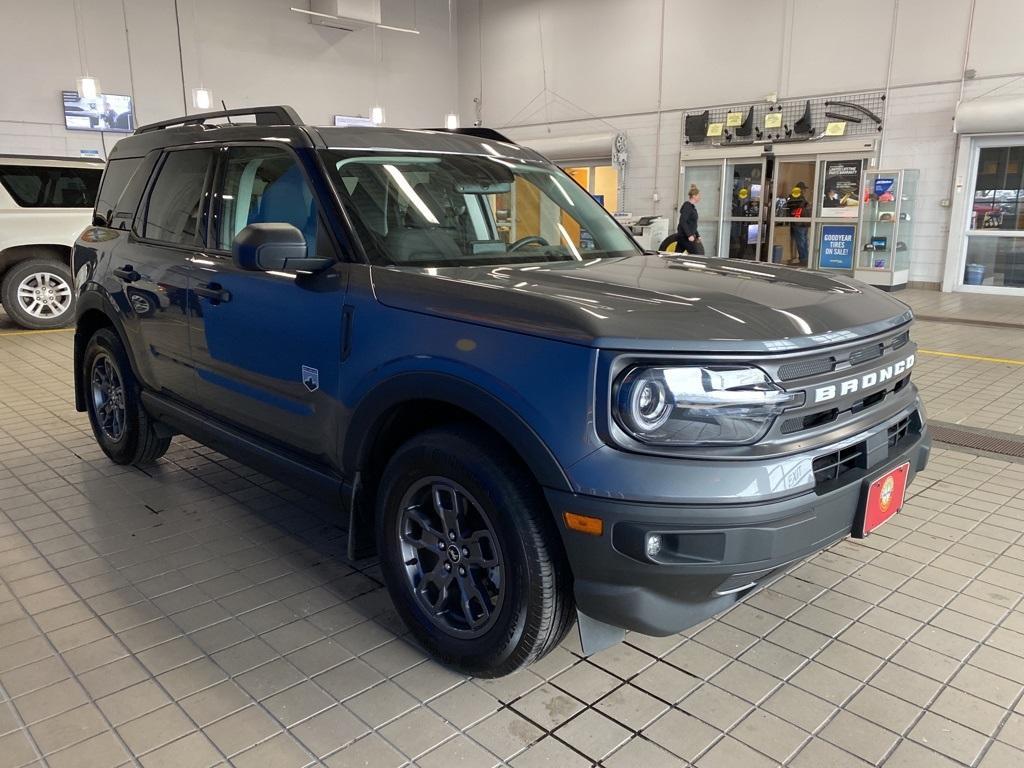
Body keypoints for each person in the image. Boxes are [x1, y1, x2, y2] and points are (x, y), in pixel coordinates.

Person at [787, 182, 811, 266]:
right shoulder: (796, 197)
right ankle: (804, 259)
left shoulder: (800, 197)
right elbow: (798, 207)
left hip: (803, 223)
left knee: (803, 241)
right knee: (802, 241)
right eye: (803, 189)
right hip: (800, 223)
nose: (805, 191)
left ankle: (805, 259)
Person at [676, 184, 703, 255]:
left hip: (684, 237)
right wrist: (689, 235)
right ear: (694, 196)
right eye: (698, 196)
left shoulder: (692, 207)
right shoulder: (687, 206)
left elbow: (692, 224)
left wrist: (697, 235)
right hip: (685, 237)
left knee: (676, 255)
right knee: (696, 256)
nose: (699, 197)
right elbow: (683, 221)